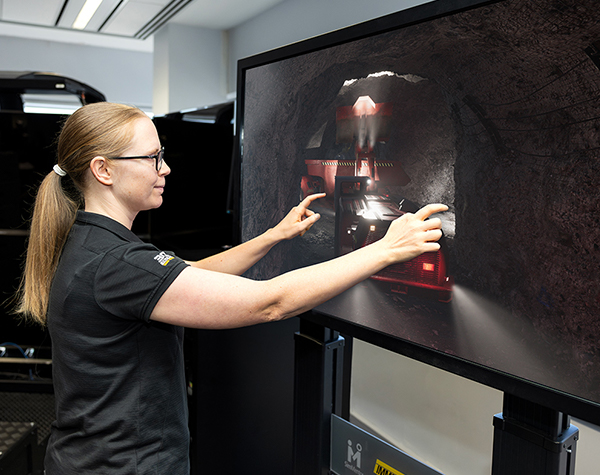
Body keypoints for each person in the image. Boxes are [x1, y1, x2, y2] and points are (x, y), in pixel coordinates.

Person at [15, 102, 447, 474]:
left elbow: (189, 275)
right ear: (103, 170)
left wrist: (272, 237)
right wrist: (386, 250)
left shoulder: (95, 244)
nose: (165, 168)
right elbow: (269, 303)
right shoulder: (119, 263)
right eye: (151, 158)